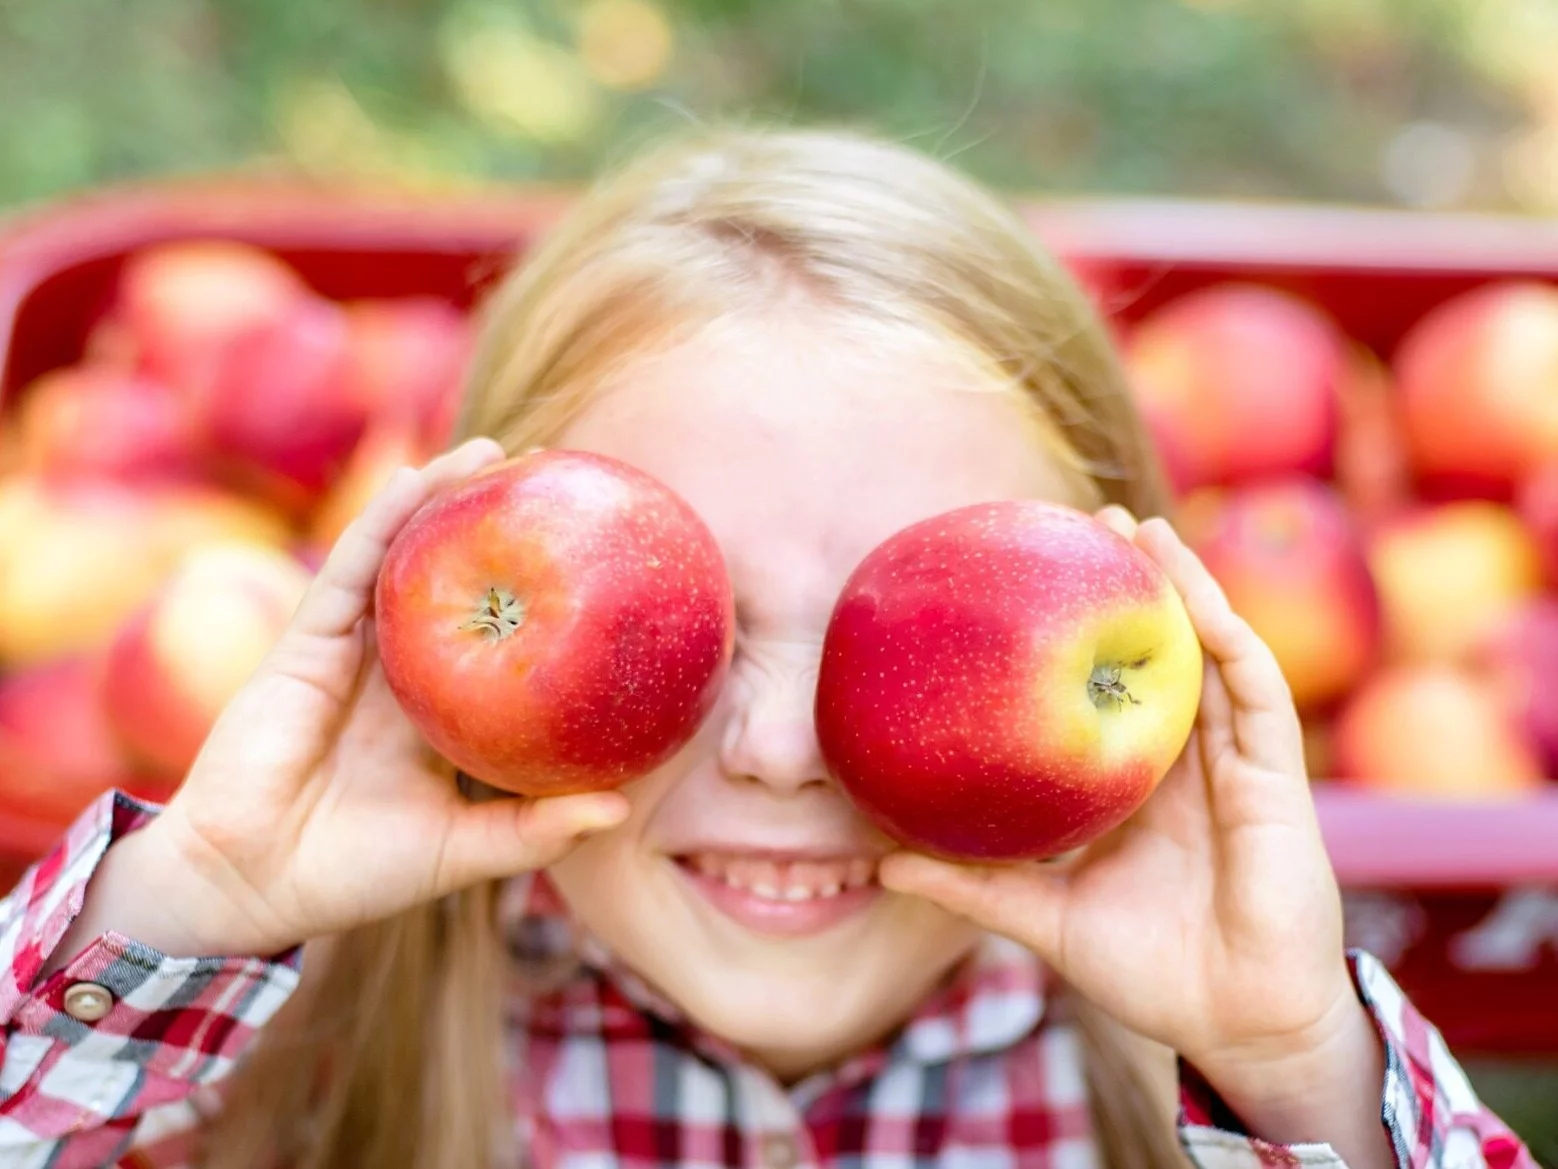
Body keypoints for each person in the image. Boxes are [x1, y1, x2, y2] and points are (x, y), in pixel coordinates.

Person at [0, 129, 1536, 1169]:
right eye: (680, 633)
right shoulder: (290, 1050)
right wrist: (195, 910)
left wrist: (1296, 1073)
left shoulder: (1169, 1082)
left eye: (908, 638)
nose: (782, 751)